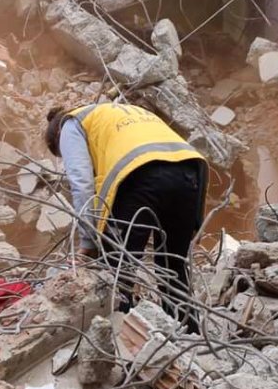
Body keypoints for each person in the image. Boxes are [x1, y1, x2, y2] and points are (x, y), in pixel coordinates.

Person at [44, 103, 207, 332]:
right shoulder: (116, 112)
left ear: (57, 135)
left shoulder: (70, 124)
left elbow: (82, 185)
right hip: (188, 172)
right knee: (172, 267)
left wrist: (88, 244)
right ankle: (189, 339)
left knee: (118, 269)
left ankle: (122, 338)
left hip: (139, 176)